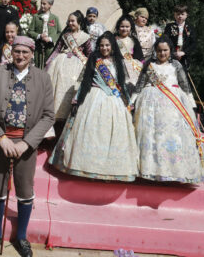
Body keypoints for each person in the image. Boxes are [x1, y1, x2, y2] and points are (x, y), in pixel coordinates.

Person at [0, 36, 55, 257]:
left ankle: (21, 237)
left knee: (24, 190)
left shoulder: (42, 78)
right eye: (17, 51)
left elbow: (49, 115)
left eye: (25, 52)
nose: (20, 56)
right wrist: (1, 138)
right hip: (0, 140)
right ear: (11, 52)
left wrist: (27, 143)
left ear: (32, 54)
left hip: (26, 144)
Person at [49, 32, 138, 182]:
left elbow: (121, 84)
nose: (104, 48)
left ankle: (108, 171)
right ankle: (84, 167)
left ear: (112, 46)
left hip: (113, 101)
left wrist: (127, 101)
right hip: (93, 97)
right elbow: (85, 81)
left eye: (107, 45)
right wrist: (78, 98)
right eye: (102, 45)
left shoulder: (118, 62)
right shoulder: (94, 59)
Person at [132, 36, 204, 183]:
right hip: (150, 105)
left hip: (173, 105)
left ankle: (172, 171)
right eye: (159, 50)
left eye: (165, 50)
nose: (162, 53)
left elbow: (185, 87)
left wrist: (192, 105)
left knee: (171, 136)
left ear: (170, 50)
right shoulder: (149, 65)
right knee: (151, 136)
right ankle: (150, 170)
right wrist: (131, 102)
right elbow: (140, 85)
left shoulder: (176, 65)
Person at [45, 10, 93, 122]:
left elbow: (89, 53)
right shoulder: (65, 35)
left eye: (73, 21)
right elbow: (57, 50)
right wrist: (49, 61)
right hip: (61, 63)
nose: (70, 23)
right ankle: (56, 113)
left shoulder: (85, 37)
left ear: (79, 22)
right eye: (69, 21)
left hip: (77, 65)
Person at [27, 0, 61, 69]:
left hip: (50, 49)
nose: (42, 5)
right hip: (38, 49)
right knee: (38, 67)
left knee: (48, 67)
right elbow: (30, 31)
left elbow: (59, 33)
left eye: (44, 4)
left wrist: (51, 39)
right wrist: (39, 36)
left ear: (50, 5)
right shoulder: (36, 17)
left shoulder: (55, 18)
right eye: (41, 3)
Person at [114, 15, 144, 93]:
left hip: (132, 68)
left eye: (127, 27)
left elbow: (140, 57)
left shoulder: (134, 40)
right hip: (116, 66)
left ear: (131, 27)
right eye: (122, 26)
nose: (124, 29)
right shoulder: (113, 39)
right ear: (118, 27)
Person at [163, 4, 195, 69]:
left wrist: (184, 52)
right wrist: (173, 52)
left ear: (187, 15)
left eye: (182, 14)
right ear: (174, 15)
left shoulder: (190, 28)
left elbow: (193, 43)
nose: (180, 16)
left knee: (182, 77)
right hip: (170, 56)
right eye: (178, 14)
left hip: (184, 58)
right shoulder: (169, 26)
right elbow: (165, 41)